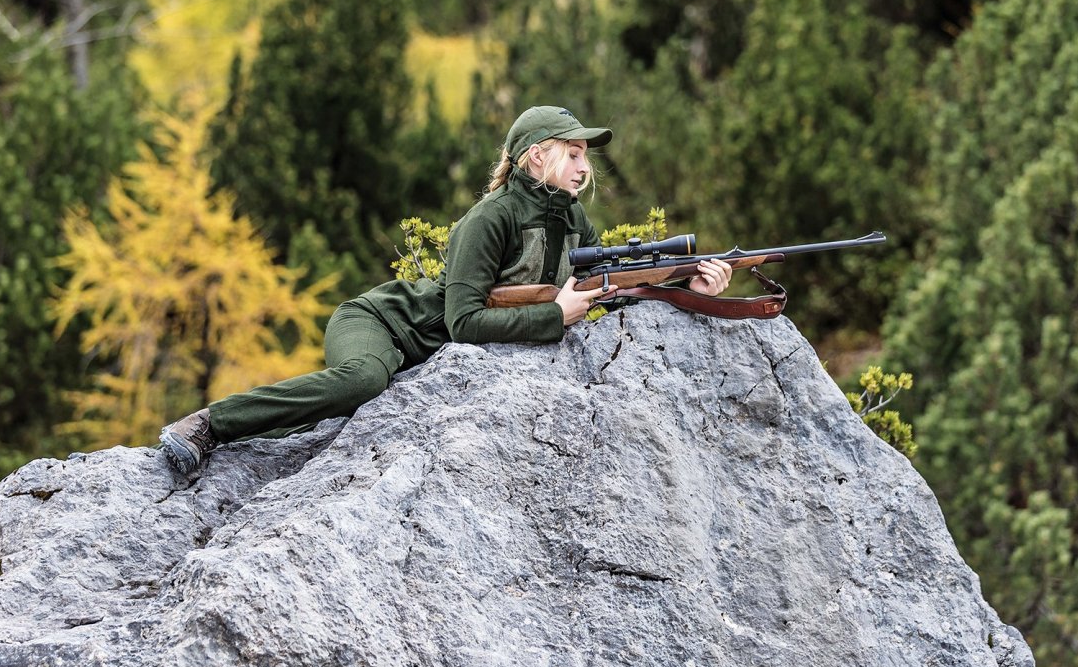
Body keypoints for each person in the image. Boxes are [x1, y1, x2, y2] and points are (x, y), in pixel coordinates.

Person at [158, 105, 733, 475]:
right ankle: (209, 425)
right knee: (362, 380)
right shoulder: (490, 219)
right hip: (384, 323)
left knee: (333, 412)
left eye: (587, 156)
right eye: (574, 152)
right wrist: (553, 317)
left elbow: (607, 287)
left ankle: (255, 433)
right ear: (538, 155)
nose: (585, 166)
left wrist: (692, 280)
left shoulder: (572, 222)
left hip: (422, 353)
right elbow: (463, 324)